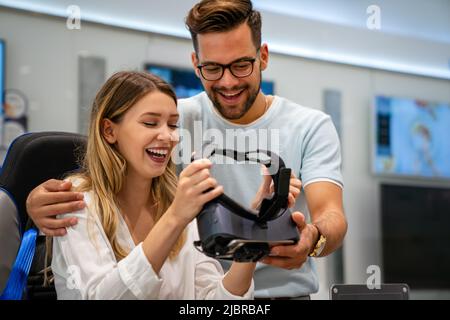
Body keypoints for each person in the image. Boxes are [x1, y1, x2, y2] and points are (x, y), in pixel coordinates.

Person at [26, 0, 347, 299]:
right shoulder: (179, 119)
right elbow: (104, 167)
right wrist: (32, 202)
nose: (228, 81)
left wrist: (297, 238)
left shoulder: (309, 125)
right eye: (213, 68)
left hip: (265, 291)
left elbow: (331, 214)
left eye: (241, 66)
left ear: (263, 56)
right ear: (196, 64)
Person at [47, 70, 257, 299]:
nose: (168, 136)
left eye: (173, 125)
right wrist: (174, 218)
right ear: (109, 131)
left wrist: (252, 242)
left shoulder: (177, 202)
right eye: (150, 123)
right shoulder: (77, 202)